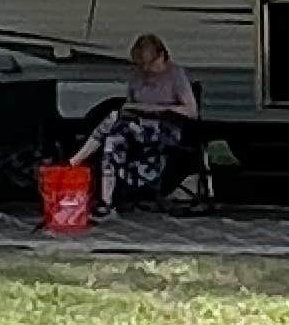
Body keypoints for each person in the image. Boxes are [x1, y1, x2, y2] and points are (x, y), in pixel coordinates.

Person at [78, 33, 201, 208]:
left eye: (149, 64)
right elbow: (130, 102)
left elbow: (191, 111)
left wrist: (156, 108)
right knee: (113, 140)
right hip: (137, 125)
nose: (146, 69)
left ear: (161, 56)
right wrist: (132, 108)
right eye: (141, 65)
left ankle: (76, 160)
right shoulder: (138, 75)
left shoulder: (175, 75)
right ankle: (106, 199)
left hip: (165, 128)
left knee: (113, 119)